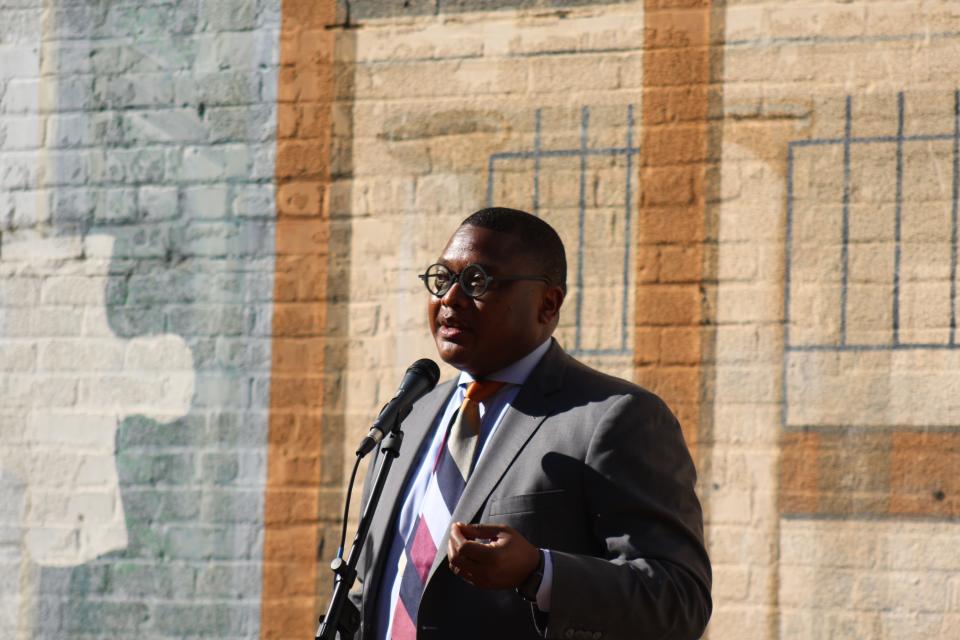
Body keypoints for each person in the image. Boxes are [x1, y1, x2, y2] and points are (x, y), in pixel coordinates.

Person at [353, 207, 711, 639]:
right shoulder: (411, 416)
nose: (450, 298)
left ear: (548, 303)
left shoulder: (615, 417)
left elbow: (679, 600)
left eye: (477, 282)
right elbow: (380, 589)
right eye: (443, 279)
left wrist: (541, 571)